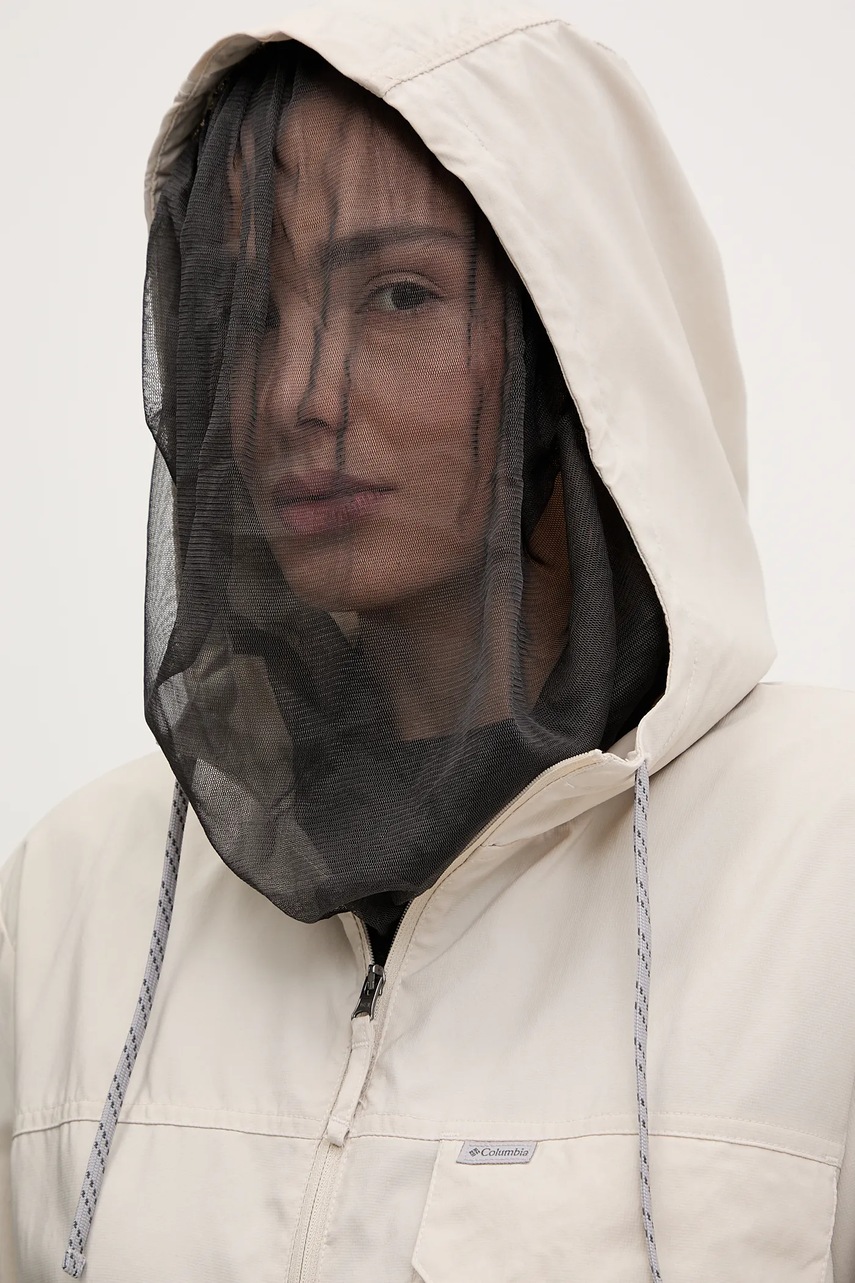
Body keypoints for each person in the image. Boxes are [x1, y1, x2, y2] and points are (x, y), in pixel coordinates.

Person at [2, 1, 854, 1278]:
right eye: (250, 311)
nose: (299, 393)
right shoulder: (75, 892)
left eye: (400, 295)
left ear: (577, 336)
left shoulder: (827, 856)